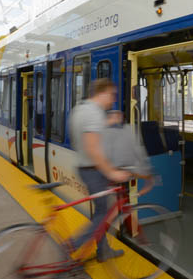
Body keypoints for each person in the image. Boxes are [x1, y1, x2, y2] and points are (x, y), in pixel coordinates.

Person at [68, 79, 130, 262]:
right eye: (112, 95)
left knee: (101, 211)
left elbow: (86, 134)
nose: (113, 99)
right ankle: (71, 246)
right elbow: (93, 149)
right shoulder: (93, 114)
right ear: (102, 93)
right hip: (93, 171)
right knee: (102, 215)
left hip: (85, 167)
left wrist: (109, 120)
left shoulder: (80, 109)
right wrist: (112, 172)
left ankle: (103, 251)